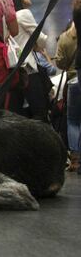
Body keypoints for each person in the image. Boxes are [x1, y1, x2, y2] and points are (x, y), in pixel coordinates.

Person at [7, 0, 50, 122]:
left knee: (19, 116)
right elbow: (40, 39)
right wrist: (45, 42)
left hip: (13, 71)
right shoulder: (24, 14)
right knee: (40, 112)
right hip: (29, 69)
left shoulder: (7, 19)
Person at [55, 21, 78, 171]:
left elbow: (60, 63)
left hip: (73, 82)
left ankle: (76, 160)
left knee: (74, 121)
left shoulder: (64, 38)